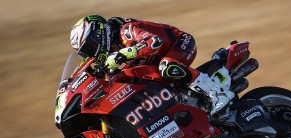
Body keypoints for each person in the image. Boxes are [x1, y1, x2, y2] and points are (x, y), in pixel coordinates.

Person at [69, 14, 234, 115]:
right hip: (156, 61)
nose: (91, 53)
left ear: (99, 33)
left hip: (179, 43)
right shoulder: (108, 56)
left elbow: (154, 41)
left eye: (89, 47)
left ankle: (217, 93)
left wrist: (123, 54)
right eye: (86, 52)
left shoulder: (125, 30)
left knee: (167, 67)